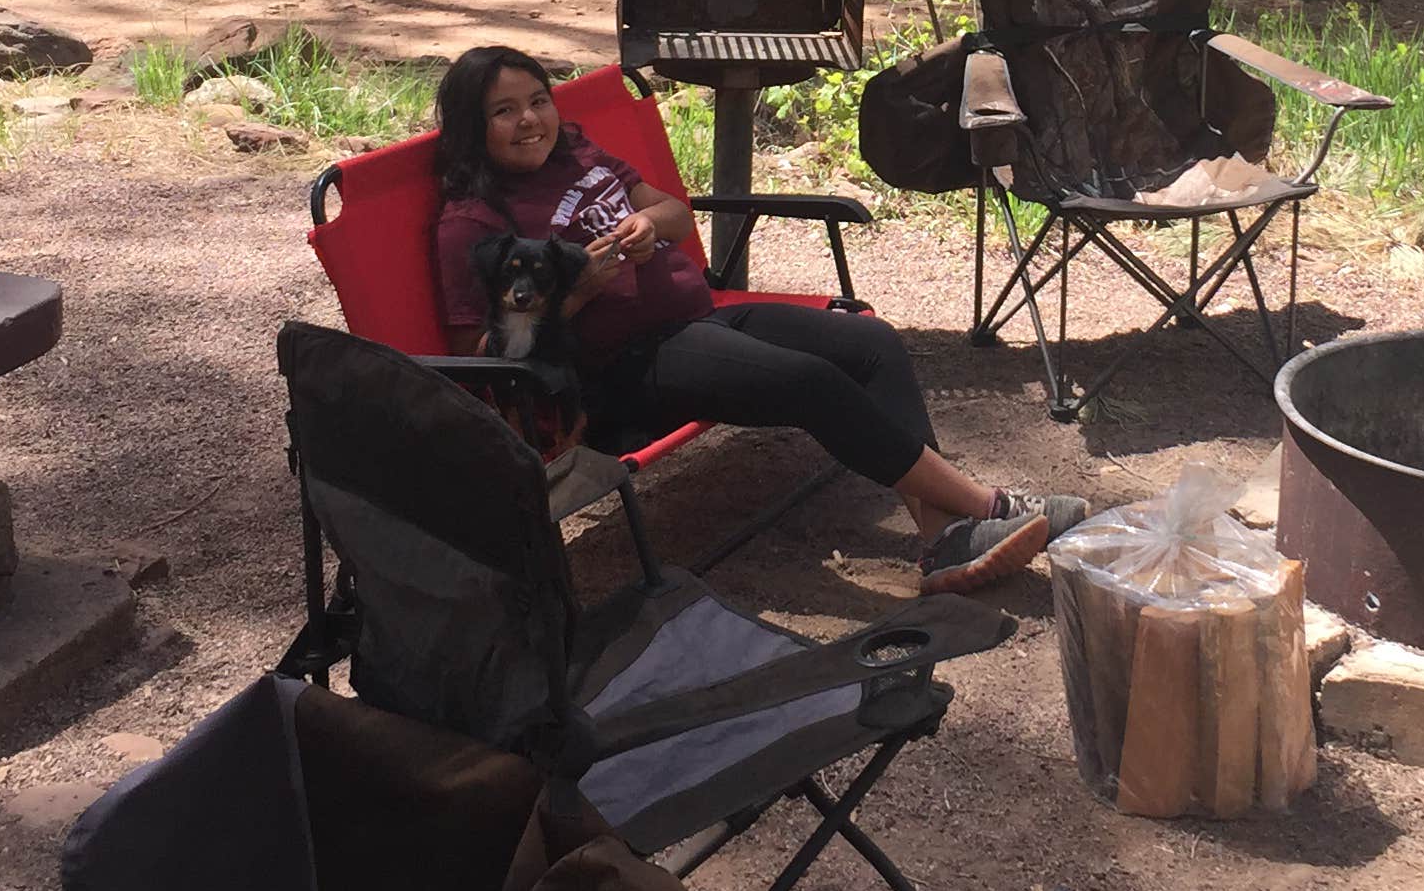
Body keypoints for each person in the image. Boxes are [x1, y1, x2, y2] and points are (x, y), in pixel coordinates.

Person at [431, 44, 1084, 591]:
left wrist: (644, 222)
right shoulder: (474, 220)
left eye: (538, 100)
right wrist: (576, 295)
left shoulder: (577, 152)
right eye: (504, 111)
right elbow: (483, 358)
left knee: (871, 343)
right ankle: (990, 508)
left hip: (697, 321)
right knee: (810, 381)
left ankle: (944, 537)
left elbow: (675, 214)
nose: (530, 120)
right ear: (472, 127)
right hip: (620, 371)